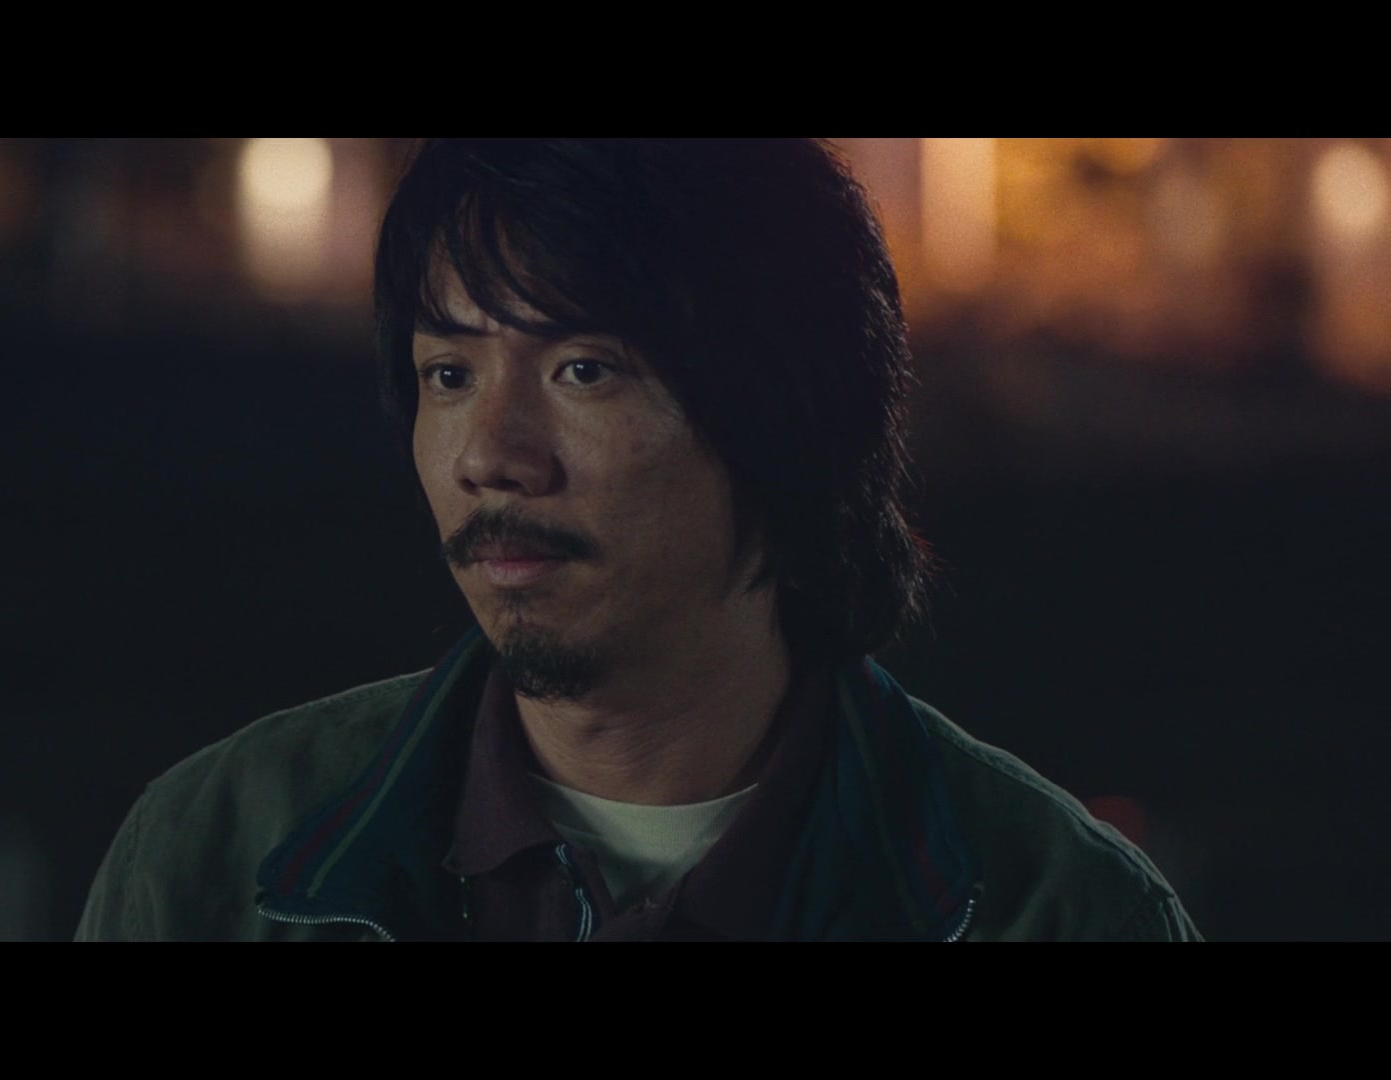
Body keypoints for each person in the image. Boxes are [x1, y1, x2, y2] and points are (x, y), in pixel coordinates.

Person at [74, 139, 1200, 941]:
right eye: (449, 374)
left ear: (788, 414)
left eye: (584, 369)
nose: (490, 455)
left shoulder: (1053, 909)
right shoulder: (222, 860)